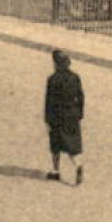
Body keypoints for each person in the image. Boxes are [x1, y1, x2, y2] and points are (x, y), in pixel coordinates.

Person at [44, 50, 85, 186]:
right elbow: (81, 97)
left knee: (55, 145)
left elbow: (49, 101)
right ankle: (78, 164)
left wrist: (48, 119)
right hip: (72, 115)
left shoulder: (53, 79)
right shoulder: (75, 77)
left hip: (58, 116)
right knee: (72, 144)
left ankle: (55, 170)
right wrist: (79, 113)